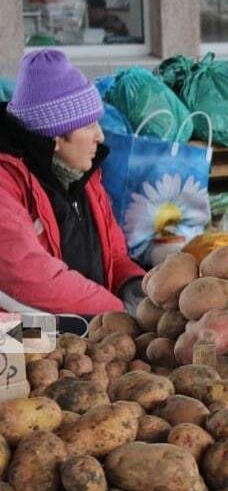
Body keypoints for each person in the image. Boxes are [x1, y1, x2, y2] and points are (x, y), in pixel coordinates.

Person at [0, 49, 144, 317]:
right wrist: (117, 312)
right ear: (55, 137)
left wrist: (134, 285)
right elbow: (27, 276)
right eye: (88, 125)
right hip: (19, 336)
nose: (100, 136)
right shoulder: (5, 182)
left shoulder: (82, 176)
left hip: (91, 328)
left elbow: (113, 255)